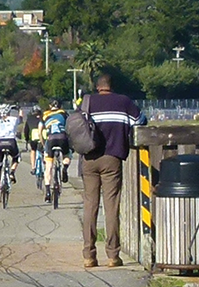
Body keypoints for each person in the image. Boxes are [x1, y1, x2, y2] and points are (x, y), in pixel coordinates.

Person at [77, 72, 141, 268]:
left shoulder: (87, 102)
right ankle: (113, 255)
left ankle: (89, 255)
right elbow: (140, 121)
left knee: (90, 205)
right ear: (112, 86)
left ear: (97, 87)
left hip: (89, 158)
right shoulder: (124, 102)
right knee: (111, 206)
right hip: (112, 159)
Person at [38, 102, 71, 190]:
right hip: (62, 137)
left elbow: (39, 131)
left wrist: (43, 143)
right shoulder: (64, 113)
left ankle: (48, 190)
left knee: (48, 165)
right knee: (67, 155)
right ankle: (65, 169)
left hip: (50, 139)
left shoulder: (44, 115)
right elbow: (70, 127)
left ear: (50, 106)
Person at [0, 103, 22, 193]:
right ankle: (12, 171)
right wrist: (19, 110)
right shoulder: (14, 119)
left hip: (0, 143)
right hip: (11, 142)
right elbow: (21, 118)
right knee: (16, 157)